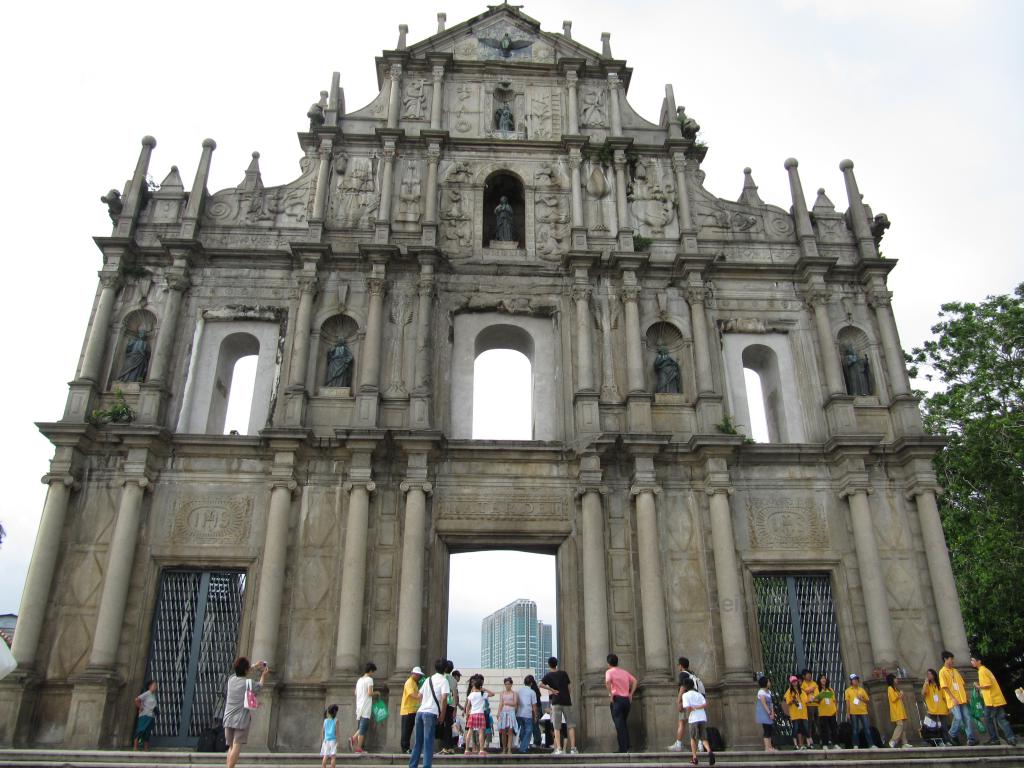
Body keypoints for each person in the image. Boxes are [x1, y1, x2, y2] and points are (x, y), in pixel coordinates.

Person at [223, 657, 269, 768]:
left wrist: (253, 666)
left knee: (230, 747)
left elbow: (241, 672)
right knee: (236, 746)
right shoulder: (248, 683)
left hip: (228, 718)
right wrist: (263, 675)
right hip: (241, 720)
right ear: (245, 670)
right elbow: (260, 686)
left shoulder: (231, 679)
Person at [409, 658, 449, 768]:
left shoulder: (428, 679)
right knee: (428, 743)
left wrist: (425, 703)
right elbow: (444, 699)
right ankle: (426, 766)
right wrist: (442, 715)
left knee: (418, 742)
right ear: (445, 669)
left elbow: (419, 696)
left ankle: (412, 765)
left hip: (420, 712)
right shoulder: (444, 681)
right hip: (431, 713)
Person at [971, 654, 1019, 746]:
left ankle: (994, 739)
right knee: (1001, 719)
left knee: (988, 719)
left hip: (991, 700)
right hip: (996, 698)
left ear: (979, 661)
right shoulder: (986, 670)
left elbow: (988, 685)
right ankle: (1011, 738)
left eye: (973, 660)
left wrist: (978, 686)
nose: (971, 662)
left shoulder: (982, 671)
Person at [540, 656, 579, 754]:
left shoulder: (548, 675)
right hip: (566, 701)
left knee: (556, 726)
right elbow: (569, 688)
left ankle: (559, 749)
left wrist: (552, 690)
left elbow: (539, 684)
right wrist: (566, 695)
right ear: (556, 664)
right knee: (570, 725)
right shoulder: (564, 673)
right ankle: (573, 748)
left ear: (549, 665)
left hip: (556, 702)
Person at [939, 650, 977, 746]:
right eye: (951, 659)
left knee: (967, 718)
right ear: (945, 659)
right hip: (953, 700)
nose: (952, 661)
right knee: (958, 717)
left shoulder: (955, 671)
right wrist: (952, 698)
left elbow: (961, 684)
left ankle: (971, 738)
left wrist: (966, 696)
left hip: (962, 699)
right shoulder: (942, 672)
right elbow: (945, 687)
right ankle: (951, 734)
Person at [669, 657, 705, 751]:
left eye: (678, 665)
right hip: (696, 701)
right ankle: (701, 744)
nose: (678, 667)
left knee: (681, 723)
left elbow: (682, 688)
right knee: (697, 723)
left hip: (687, 701)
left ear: (681, 665)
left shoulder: (682, 674)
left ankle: (679, 744)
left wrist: (679, 701)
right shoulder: (692, 674)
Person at [604, 653, 637, 753]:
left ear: (608, 663)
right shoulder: (624, 672)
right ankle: (625, 746)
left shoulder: (609, 672)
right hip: (626, 700)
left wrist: (610, 694)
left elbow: (607, 682)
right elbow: (635, 681)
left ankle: (623, 749)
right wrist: (631, 694)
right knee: (623, 723)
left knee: (619, 725)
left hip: (617, 700)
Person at [680, 677, 715, 766]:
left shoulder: (685, 695)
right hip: (702, 717)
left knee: (693, 738)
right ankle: (709, 751)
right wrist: (698, 707)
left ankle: (695, 757)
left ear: (685, 686)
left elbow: (687, 708)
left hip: (693, 719)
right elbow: (705, 704)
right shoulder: (699, 694)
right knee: (703, 738)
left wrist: (693, 708)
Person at [350, 662, 377, 754]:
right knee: (363, 728)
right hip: (366, 706)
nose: (373, 674)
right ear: (370, 671)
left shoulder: (359, 680)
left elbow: (355, 693)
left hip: (359, 705)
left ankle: (353, 738)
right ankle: (358, 748)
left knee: (362, 726)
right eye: (373, 672)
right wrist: (377, 693)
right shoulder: (369, 680)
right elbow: (370, 693)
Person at [922, 668, 952, 745]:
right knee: (932, 726)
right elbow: (923, 693)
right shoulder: (927, 684)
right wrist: (925, 683)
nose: (928, 676)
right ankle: (936, 741)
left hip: (942, 707)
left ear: (934, 675)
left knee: (944, 725)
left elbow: (944, 696)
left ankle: (946, 740)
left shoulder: (939, 684)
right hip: (932, 708)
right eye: (927, 674)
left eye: (930, 674)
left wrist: (948, 707)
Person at [463, 675, 491, 755]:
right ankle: (481, 750)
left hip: (472, 714)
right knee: (481, 732)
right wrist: (484, 689)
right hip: (481, 714)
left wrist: (467, 715)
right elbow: (493, 694)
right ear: (480, 686)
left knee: (470, 731)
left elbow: (468, 705)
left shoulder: (471, 694)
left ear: (474, 686)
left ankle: (467, 749)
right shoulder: (483, 694)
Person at [844, 673, 873, 749]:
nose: (855, 681)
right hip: (853, 712)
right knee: (855, 729)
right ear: (851, 681)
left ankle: (871, 744)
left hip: (863, 711)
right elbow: (847, 702)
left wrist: (861, 699)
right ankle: (855, 744)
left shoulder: (862, 690)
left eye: (856, 679)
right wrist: (847, 712)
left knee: (867, 728)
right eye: (854, 680)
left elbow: (867, 700)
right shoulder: (848, 691)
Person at [400, 667, 424, 753]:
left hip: (412, 709)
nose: (419, 676)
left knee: (409, 729)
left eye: (419, 675)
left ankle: (407, 747)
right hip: (407, 710)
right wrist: (419, 696)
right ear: (413, 674)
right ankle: (405, 747)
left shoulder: (414, 682)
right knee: (406, 729)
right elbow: (411, 694)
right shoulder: (409, 682)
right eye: (418, 675)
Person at [784, 675, 810, 750]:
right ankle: (795, 745)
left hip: (803, 713)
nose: (794, 683)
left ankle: (808, 744)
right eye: (793, 682)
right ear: (791, 683)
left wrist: (810, 699)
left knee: (805, 728)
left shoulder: (801, 690)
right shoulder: (789, 691)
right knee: (795, 729)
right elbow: (788, 701)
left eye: (795, 681)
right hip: (795, 714)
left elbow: (805, 701)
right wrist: (793, 700)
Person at [886, 673, 911, 748]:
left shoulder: (896, 689)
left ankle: (904, 743)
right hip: (896, 711)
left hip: (900, 710)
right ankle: (893, 740)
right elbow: (893, 699)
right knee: (900, 725)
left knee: (903, 727)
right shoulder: (890, 688)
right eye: (895, 678)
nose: (896, 680)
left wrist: (900, 695)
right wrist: (900, 695)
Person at [815, 673, 838, 749]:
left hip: (832, 712)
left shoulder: (830, 689)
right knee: (824, 729)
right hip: (823, 713)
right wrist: (821, 695)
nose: (823, 679)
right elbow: (816, 700)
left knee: (834, 729)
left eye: (824, 678)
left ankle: (835, 744)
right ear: (819, 680)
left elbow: (834, 700)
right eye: (822, 678)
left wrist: (836, 709)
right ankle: (825, 744)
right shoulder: (817, 689)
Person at [133, 679, 158, 751]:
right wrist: (140, 707)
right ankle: (135, 747)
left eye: (155, 686)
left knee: (147, 732)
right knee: (141, 730)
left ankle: (145, 748)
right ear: (149, 686)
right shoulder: (147, 693)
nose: (155, 687)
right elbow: (137, 699)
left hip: (151, 716)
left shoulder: (153, 695)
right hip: (145, 715)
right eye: (154, 685)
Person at [496, 677, 519, 753]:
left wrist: (507, 703)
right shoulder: (502, 693)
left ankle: (509, 749)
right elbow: (500, 704)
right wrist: (498, 713)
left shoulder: (514, 693)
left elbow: (515, 703)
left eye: (508, 684)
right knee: (503, 732)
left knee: (510, 731)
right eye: (506, 684)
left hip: (511, 713)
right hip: (503, 713)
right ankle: (504, 748)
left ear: (511, 684)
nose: (507, 685)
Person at [517, 675, 539, 753]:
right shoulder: (532, 692)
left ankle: (523, 746)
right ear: (531, 683)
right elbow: (534, 705)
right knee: (529, 730)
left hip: (519, 714)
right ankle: (523, 748)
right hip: (527, 714)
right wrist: (536, 716)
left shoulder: (519, 691)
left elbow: (517, 703)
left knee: (522, 731)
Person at [755, 676, 776, 752]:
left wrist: (773, 712)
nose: (769, 683)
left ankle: (770, 747)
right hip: (764, 713)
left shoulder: (769, 692)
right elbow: (764, 703)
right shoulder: (761, 692)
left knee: (770, 729)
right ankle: (767, 748)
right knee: (766, 729)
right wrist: (769, 713)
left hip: (769, 712)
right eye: (768, 681)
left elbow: (771, 703)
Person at [800, 669, 819, 749]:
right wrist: (811, 690)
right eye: (807, 674)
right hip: (808, 705)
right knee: (809, 722)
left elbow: (817, 693)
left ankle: (821, 739)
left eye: (810, 674)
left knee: (818, 722)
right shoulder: (803, 684)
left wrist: (811, 693)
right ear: (804, 676)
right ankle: (810, 739)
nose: (809, 676)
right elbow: (803, 692)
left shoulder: (814, 683)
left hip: (816, 704)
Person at [321, 704, 339, 768]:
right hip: (333, 740)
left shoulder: (325, 720)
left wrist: (323, 740)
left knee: (325, 756)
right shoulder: (336, 720)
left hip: (326, 740)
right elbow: (337, 732)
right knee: (333, 757)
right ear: (335, 712)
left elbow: (323, 731)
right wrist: (338, 741)